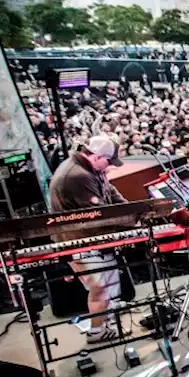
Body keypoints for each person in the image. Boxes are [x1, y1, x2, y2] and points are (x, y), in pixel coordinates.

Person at [46, 135, 126, 343]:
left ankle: (108, 319)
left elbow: (111, 193)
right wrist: (131, 221)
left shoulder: (90, 170)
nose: (110, 167)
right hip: (81, 241)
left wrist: (134, 210)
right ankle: (97, 331)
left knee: (108, 283)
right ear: (98, 156)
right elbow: (100, 213)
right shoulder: (77, 176)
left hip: (93, 239)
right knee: (99, 288)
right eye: (108, 162)